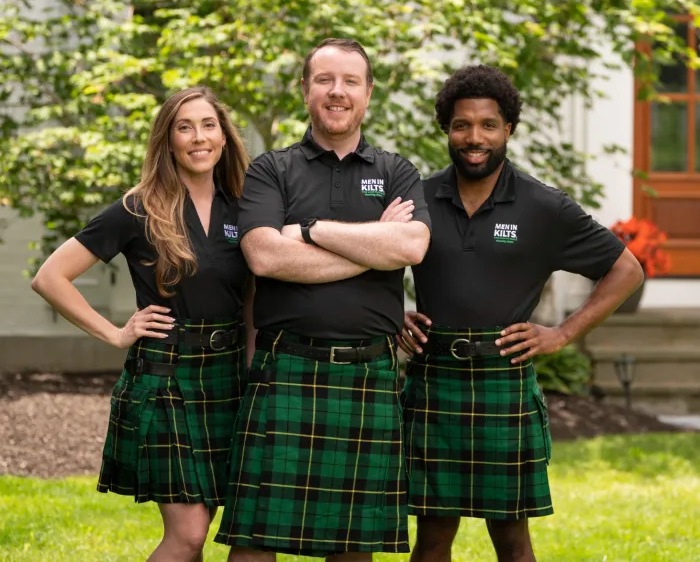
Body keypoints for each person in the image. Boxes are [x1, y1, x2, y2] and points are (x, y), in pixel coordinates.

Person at [397, 65, 644, 562]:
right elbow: (368, 263)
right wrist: (390, 313)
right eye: (462, 125)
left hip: (502, 381)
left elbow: (626, 270)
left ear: (508, 128)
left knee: (511, 540)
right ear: (446, 129)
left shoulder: (542, 206)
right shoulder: (417, 199)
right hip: (433, 379)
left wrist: (561, 334)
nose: (474, 137)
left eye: (488, 125)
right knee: (432, 538)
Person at [214, 38, 432, 561]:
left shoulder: (397, 171)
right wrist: (372, 245)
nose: (338, 92)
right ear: (306, 90)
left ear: (368, 93)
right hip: (285, 369)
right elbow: (265, 257)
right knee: (251, 546)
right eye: (325, 80)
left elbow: (412, 245)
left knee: (354, 548)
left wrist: (307, 230)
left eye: (350, 82)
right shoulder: (272, 169)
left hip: (367, 376)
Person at [31, 86, 253, 562]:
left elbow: (254, 297)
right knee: (189, 534)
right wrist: (114, 332)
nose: (199, 137)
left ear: (224, 136)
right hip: (166, 378)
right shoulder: (138, 208)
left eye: (208, 125)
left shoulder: (244, 206)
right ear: (167, 140)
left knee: (209, 526)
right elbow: (50, 277)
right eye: (184, 127)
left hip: (230, 379)